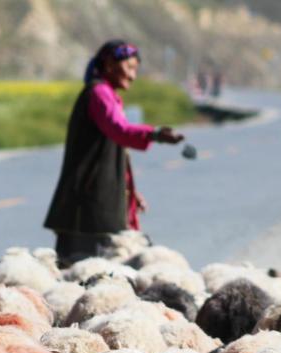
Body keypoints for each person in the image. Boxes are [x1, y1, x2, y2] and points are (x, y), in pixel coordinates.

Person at [44, 40, 184, 266]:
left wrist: (129, 192)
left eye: (135, 70)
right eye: (129, 68)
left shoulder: (107, 95)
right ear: (109, 64)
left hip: (96, 205)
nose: (133, 76)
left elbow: (114, 152)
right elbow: (119, 130)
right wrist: (155, 134)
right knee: (85, 271)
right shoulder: (99, 94)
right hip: (88, 210)